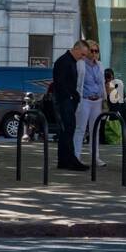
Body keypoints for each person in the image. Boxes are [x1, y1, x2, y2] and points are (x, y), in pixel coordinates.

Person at [51, 38, 89, 170]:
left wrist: (75, 96)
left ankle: (65, 160)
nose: (83, 58)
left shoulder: (71, 62)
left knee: (68, 130)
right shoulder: (64, 62)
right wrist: (72, 96)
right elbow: (60, 83)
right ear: (76, 49)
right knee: (67, 129)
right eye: (82, 54)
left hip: (68, 100)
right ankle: (69, 160)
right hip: (64, 101)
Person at [74, 40, 106, 167]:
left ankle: (95, 157)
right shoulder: (81, 64)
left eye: (96, 51)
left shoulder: (100, 65)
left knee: (95, 130)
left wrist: (104, 98)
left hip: (97, 100)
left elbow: (102, 83)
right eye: (91, 51)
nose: (94, 54)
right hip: (85, 100)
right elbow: (78, 83)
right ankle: (76, 156)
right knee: (80, 129)